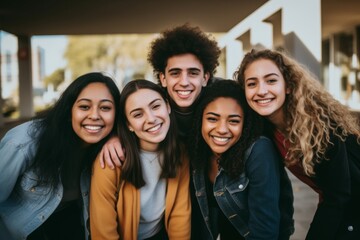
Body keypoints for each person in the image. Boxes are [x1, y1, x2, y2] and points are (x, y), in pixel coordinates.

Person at [234, 48, 360, 240]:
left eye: (271, 80)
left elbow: (338, 195)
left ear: (288, 85)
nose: (261, 90)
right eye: (252, 83)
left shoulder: (320, 126)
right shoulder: (264, 127)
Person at [0, 72, 120, 240]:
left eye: (105, 108)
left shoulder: (111, 146)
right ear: (69, 109)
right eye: (84, 107)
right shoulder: (24, 143)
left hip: (70, 223)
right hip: (22, 230)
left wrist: (116, 137)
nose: (94, 115)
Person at [100, 23, 221, 168]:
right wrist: (115, 138)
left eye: (193, 73)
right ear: (163, 78)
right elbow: (127, 118)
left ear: (205, 78)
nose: (184, 82)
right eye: (175, 73)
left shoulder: (220, 99)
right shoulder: (154, 102)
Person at [189, 79, 294, 239]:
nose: (222, 129)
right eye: (212, 119)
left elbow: (265, 230)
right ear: (200, 120)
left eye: (233, 121)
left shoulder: (259, 151)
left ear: (245, 124)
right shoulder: (199, 152)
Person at [90, 79, 191, 240]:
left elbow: (180, 214)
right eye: (137, 114)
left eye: (156, 106)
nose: (150, 119)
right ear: (129, 124)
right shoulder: (110, 161)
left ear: (168, 106)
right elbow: (103, 230)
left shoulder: (180, 153)